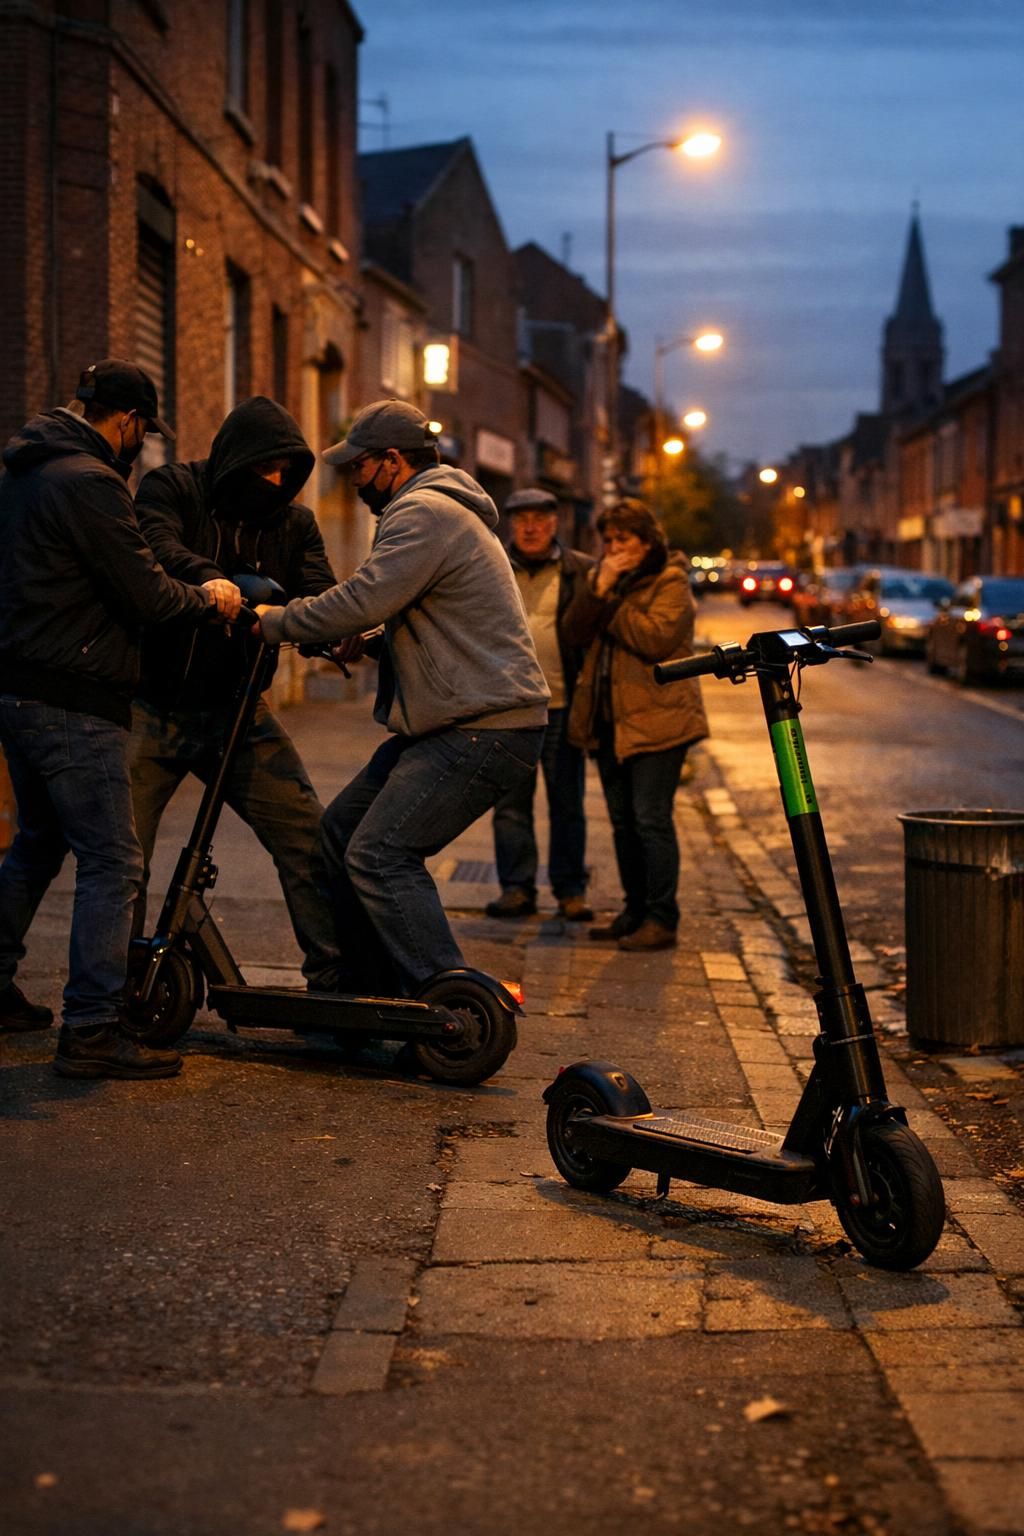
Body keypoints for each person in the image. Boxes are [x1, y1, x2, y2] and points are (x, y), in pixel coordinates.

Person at [254, 399, 550, 996]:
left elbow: (363, 596)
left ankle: (446, 1000)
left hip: (482, 729)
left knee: (381, 854)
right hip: (452, 724)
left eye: (359, 468)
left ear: (391, 461)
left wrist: (271, 619)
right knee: (339, 832)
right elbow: (427, 622)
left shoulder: (424, 513)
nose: (355, 481)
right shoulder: (441, 512)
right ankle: (367, 981)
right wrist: (368, 645)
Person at [0, 359, 237, 1077]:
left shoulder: (25, 470)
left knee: (38, 842)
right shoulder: (92, 482)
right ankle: (93, 1031)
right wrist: (214, 600)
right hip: (75, 698)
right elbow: (148, 595)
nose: (142, 446)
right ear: (128, 422)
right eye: (143, 431)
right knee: (113, 861)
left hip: (18, 689)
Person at [128, 396, 342, 990]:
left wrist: (337, 636)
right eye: (264, 469)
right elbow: (154, 544)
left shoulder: (294, 523)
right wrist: (208, 579)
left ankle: (336, 976)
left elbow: (319, 595)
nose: (275, 483)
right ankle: (118, 988)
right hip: (153, 704)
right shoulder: (173, 487)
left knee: (307, 837)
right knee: (124, 860)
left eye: (287, 473)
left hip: (240, 709)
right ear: (235, 459)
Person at [565, 498, 708, 952]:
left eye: (622, 540)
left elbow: (655, 639)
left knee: (651, 820)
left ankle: (662, 918)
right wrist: (599, 591)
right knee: (623, 823)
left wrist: (609, 601)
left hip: (660, 720)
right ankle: (634, 910)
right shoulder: (603, 579)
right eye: (607, 541)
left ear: (646, 542)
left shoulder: (671, 580)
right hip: (610, 722)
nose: (613, 549)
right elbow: (573, 632)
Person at [485, 487, 594, 922]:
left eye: (539, 519)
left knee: (568, 803)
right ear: (511, 524)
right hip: (509, 705)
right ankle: (517, 889)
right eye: (521, 518)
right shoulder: (490, 566)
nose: (530, 527)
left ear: (555, 524)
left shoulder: (580, 570)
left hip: (563, 703)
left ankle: (570, 891)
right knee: (510, 804)